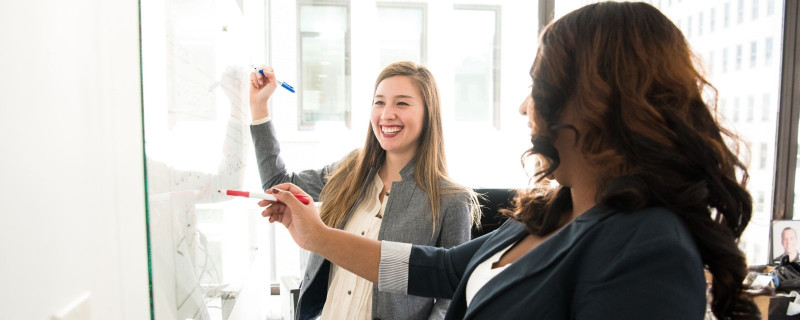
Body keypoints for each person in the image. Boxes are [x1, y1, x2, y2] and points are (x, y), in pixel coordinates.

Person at [256, 2, 760, 319]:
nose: (524, 106)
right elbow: (444, 269)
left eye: (537, 87)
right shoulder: (552, 209)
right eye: (378, 102)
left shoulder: (648, 248)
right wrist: (317, 237)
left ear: (595, 101)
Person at [248, 61, 479, 319]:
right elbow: (278, 184)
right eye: (379, 102)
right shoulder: (351, 171)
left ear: (429, 113)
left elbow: (453, 297)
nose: (386, 114)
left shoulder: (451, 199)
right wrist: (259, 106)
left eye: (401, 103)